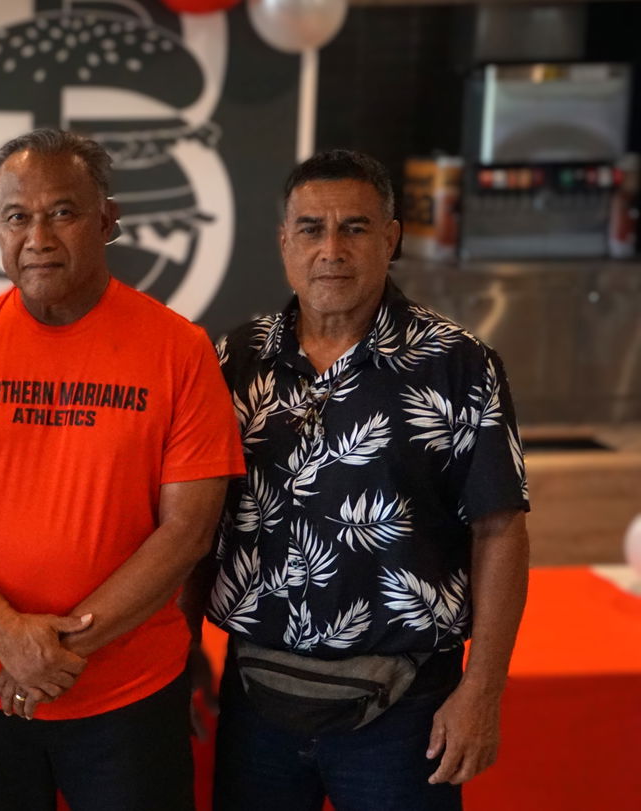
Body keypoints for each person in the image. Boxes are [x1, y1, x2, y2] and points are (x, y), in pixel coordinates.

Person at [0, 127, 244, 809]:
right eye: (16, 216)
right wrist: (9, 636)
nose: (38, 236)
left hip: (129, 697)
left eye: (63, 211)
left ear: (107, 220)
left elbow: (187, 532)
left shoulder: (180, 350)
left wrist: (53, 651)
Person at [198, 149, 530, 810]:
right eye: (312, 229)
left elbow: (500, 529)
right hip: (257, 699)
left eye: (354, 227)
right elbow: (190, 524)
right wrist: (179, 658)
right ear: (285, 241)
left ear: (391, 237)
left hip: (407, 711)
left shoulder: (458, 365)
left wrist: (483, 688)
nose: (332, 248)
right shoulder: (233, 361)